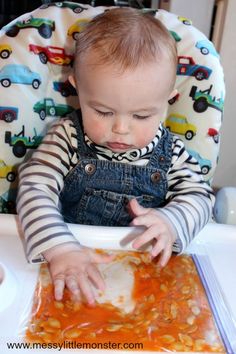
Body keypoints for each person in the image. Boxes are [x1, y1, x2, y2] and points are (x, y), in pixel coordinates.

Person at [17, 7, 214, 305]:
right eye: (103, 111)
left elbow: (200, 196)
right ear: (77, 88)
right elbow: (35, 188)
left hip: (144, 273)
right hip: (69, 264)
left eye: (142, 114)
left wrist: (172, 221)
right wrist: (59, 248)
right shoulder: (67, 138)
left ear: (168, 100)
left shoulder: (170, 152)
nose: (121, 129)